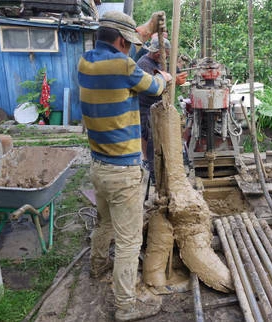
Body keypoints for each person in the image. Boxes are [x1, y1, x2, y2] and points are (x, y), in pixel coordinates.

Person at [77, 10, 172, 322]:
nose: (132, 47)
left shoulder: (86, 62)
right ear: (120, 41)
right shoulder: (125, 65)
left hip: (99, 167)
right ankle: (125, 307)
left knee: (104, 224)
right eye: (128, 43)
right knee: (131, 243)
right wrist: (164, 77)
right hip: (123, 173)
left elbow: (132, 43)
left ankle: (97, 266)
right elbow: (155, 89)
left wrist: (146, 30)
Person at [137, 36, 188, 183]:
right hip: (147, 108)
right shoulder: (144, 64)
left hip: (158, 106)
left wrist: (177, 73)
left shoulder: (158, 62)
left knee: (160, 140)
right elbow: (154, 87)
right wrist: (173, 81)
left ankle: (162, 171)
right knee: (153, 140)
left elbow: (166, 75)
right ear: (159, 53)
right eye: (164, 54)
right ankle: (155, 175)